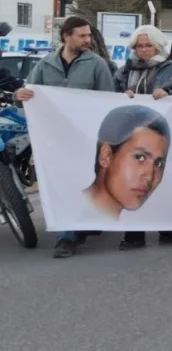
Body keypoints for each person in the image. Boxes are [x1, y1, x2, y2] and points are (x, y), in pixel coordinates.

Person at [15, 17, 115, 258]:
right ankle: (67, 237)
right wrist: (21, 94)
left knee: (82, 183)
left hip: (85, 137)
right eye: (82, 36)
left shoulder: (97, 65)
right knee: (61, 185)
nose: (87, 40)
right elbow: (30, 93)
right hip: (54, 139)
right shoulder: (45, 65)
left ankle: (80, 226)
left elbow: (108, 100)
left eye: (88, 36)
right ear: (66, 36)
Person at [115, 25, 172, 251]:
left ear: (158, 45)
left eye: (148, 45)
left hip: (163, 135)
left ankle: (168, 229)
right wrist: (121, 96)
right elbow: (110, 95)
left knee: (164, 180)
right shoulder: (125, 70)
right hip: (132, 136)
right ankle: (134, 234)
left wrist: (170, 96)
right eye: (140, 45)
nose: (144, 50)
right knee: (133, 182)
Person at [85, 105, 171, 220]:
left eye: (159, 164)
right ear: (106, 156)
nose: (150, 176)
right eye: (140, 157)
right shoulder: (69, 209)